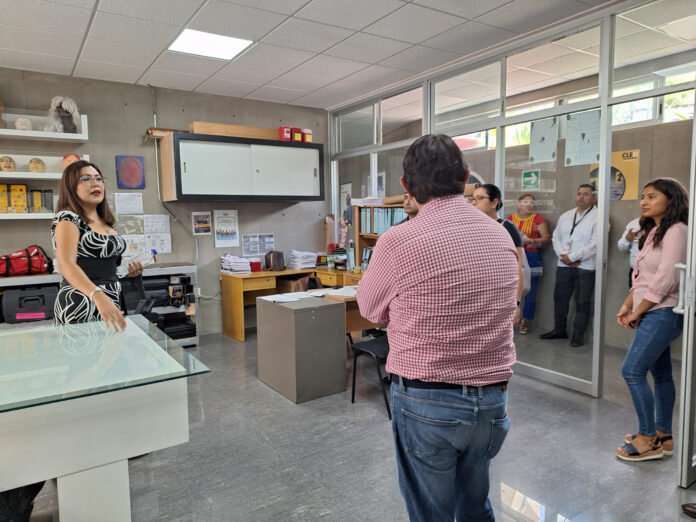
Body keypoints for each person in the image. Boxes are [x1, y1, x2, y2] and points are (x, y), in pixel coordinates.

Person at [357, 134, 517, 521]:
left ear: (406, 186)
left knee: (432, 513)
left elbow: (371, 310)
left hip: (428, 401)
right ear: (465, 177)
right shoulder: (499, 233)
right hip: (492, 401)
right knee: (475, 505)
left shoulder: (398, 240)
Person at [0, 160, 143, 520]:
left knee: (109, 375)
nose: (95, 183)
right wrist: (97, 295)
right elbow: (66, 264)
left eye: (99, 178)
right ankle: (68, 462)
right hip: (81, 305)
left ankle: (97, 455)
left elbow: (104, 267)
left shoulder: (105, 222)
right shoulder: (68, 218)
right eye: (85, 178)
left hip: (109, 300)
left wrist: (128, 273)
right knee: (85, 378)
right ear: (71, 186)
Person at [616, 178, 688, 462]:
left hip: (663, 311)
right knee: (661, 374)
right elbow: (642, 277)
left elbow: (666, 279)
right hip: (652, 309)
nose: (644, 202)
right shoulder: (657, 229)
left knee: (632, 371)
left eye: (652, 196)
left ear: (671, 199)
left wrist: (638, 311)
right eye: (643, 196)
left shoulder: (677, 230)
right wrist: (628, 304)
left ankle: (648, 439)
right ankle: (664, 435)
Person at [540, 184, 598, 347]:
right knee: (560, 299)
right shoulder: (566, 215)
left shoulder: (599, 217)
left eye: (586, 194)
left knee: (582, 302)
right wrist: (563, 256)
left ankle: (578, 335)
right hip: (563, 264)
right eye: (579, 193)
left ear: (593, 198)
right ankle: (559, 330)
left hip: (585, 266)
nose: (581, 197)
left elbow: (596, 244)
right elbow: (555, 238)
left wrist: (572, 257)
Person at [471, 183, 524, 325]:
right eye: (473, 198)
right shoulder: (471, 227)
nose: (474, 203)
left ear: (494, 202)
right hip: (475, 294)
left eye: (480, 198)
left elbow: (519, 267)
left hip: (499, 295)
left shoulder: (507, 227)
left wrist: (516, 303)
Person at [508, 194, 551, 334]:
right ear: (519, 204)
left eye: (531, 202)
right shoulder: (510, 219)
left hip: (533, 257)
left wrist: (531, 241)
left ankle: (525, 319)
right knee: (511, 288)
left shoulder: (539, 219)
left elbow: (546, 238)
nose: (528, 204)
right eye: (525, 201)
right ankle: (509, 318)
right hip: (513, 256)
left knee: (531, 290)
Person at [617, 216, 641, 288]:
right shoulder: (634, 224)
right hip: (636, 272)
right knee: (633, 295)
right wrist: (626, 239)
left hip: (655, 273)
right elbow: (621, 248)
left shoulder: (664, 225)